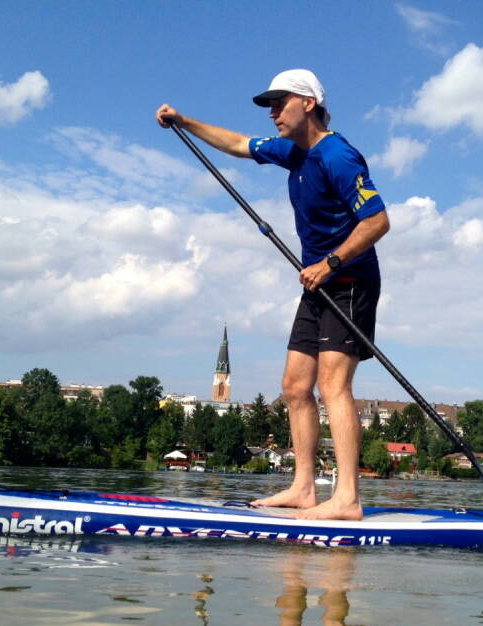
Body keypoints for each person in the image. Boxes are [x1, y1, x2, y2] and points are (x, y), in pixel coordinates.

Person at [157, 69, 389, 521]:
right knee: (294, 387)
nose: (272, 113)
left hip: (350, 282)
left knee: (333, 386)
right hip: (317, 286)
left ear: (307, 103)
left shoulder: (339, 157)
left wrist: (331, 262)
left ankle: (347, 498)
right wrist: (185, 122)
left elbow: (377, 222)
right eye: (269, 105)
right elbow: (239, 144)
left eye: (279, 103)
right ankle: (304, 488)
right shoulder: (292, 153)